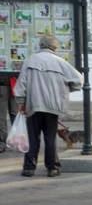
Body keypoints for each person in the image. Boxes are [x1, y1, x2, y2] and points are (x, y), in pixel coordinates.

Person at [15, 35, 82, 177]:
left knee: (33, 137)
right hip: (52, 106)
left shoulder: (30, 60)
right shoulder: (60, 62)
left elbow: (21, 84)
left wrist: (21, 103)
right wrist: (66, 89)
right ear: (55, 47)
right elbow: (78, 79)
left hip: (33, 105)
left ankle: (29, 168)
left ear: (41, 45)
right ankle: (52, 168)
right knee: (50, 137)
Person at [0, 76, 19, 152]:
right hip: (2, 84)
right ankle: (1, 142)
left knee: (15, 115)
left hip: (15, 83)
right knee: (1, 116)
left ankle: (17, 141)